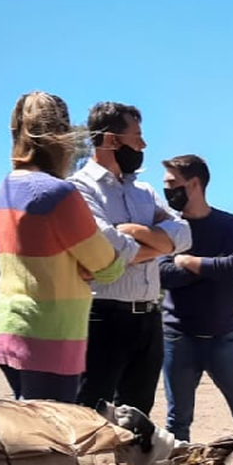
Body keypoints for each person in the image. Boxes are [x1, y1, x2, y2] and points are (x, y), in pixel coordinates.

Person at [0, 92, 123, 402]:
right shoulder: (57, 193)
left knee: (26, 433)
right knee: (51, 442)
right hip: (49, 336)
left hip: (7, 327)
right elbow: (107, 266)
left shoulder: (7, 185)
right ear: (62, 134)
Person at [69, 102, 191, 414]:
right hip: (104, 319)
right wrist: (160, 245)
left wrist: (137, 231)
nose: (143, 145)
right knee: (91, 416)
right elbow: (108, 248)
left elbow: (184, 234)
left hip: (149, 320)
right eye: (137, 137)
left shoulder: (144, 192)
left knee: (137, 420)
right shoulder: (80, 189)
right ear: (111, 140)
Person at [157, 154, 233, 440]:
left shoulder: (230, 225)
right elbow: (164, 275)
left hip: (225, 338)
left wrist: (188, 261)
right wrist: (210, 266)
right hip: (178, 339)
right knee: (177, 424)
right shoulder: (169, 228)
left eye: (171, 183)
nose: (166, 190)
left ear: (194, 183)